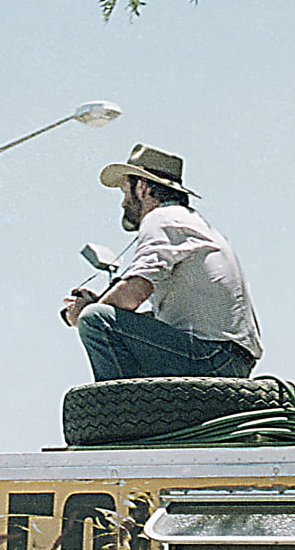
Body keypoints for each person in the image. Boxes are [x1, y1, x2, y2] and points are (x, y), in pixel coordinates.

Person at [62, 143, 262, 382]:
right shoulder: (187, 220)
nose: (123, 203)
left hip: (213, 357)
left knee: (95, 320)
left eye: (126, 192)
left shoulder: (162, 217)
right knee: (102, 316)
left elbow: (133, 293)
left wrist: (85, 312)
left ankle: (124, 413)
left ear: (144, 188)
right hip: (229, 358)